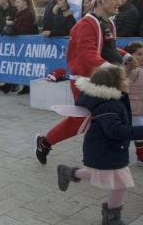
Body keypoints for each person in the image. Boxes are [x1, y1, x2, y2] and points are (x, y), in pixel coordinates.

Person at [35, 0, 126, 164]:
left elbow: (110, 50)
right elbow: (87, 53)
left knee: (108, 118)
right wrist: (112, 70)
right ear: (100, 1)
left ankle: (101, 156)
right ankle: (45, 142)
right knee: (82, 122)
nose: (119, 2)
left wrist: (127, 57)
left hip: (104, 80)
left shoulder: (108, 23)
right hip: (84, 82)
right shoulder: (86, 24)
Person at [56, 66, 142, 225]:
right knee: (120, 183)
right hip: (105, 150)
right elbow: (116, 131)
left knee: (106, 177)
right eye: (123, 79)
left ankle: (68, 172)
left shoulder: (113, 100)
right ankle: (111, 218)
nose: (127, 80)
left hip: (107, 149)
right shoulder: (108, 105)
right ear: (113, 85)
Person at [4, 0, 38, 95]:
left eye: (18, 2)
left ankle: (26, 86)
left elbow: (24, 30)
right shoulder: (20, 13)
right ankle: (19, 85)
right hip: (22, 44)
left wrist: (12, 25)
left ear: (25, 3)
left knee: (26, 65)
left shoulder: (28, 14)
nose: (16, 4)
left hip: (26, 44)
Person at [124, 41, 143, 166]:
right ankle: (141, 157)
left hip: (139, 107)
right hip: (134, 108)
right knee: (138, 132)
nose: (142, 57)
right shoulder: (133, 71)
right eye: (139, 54)